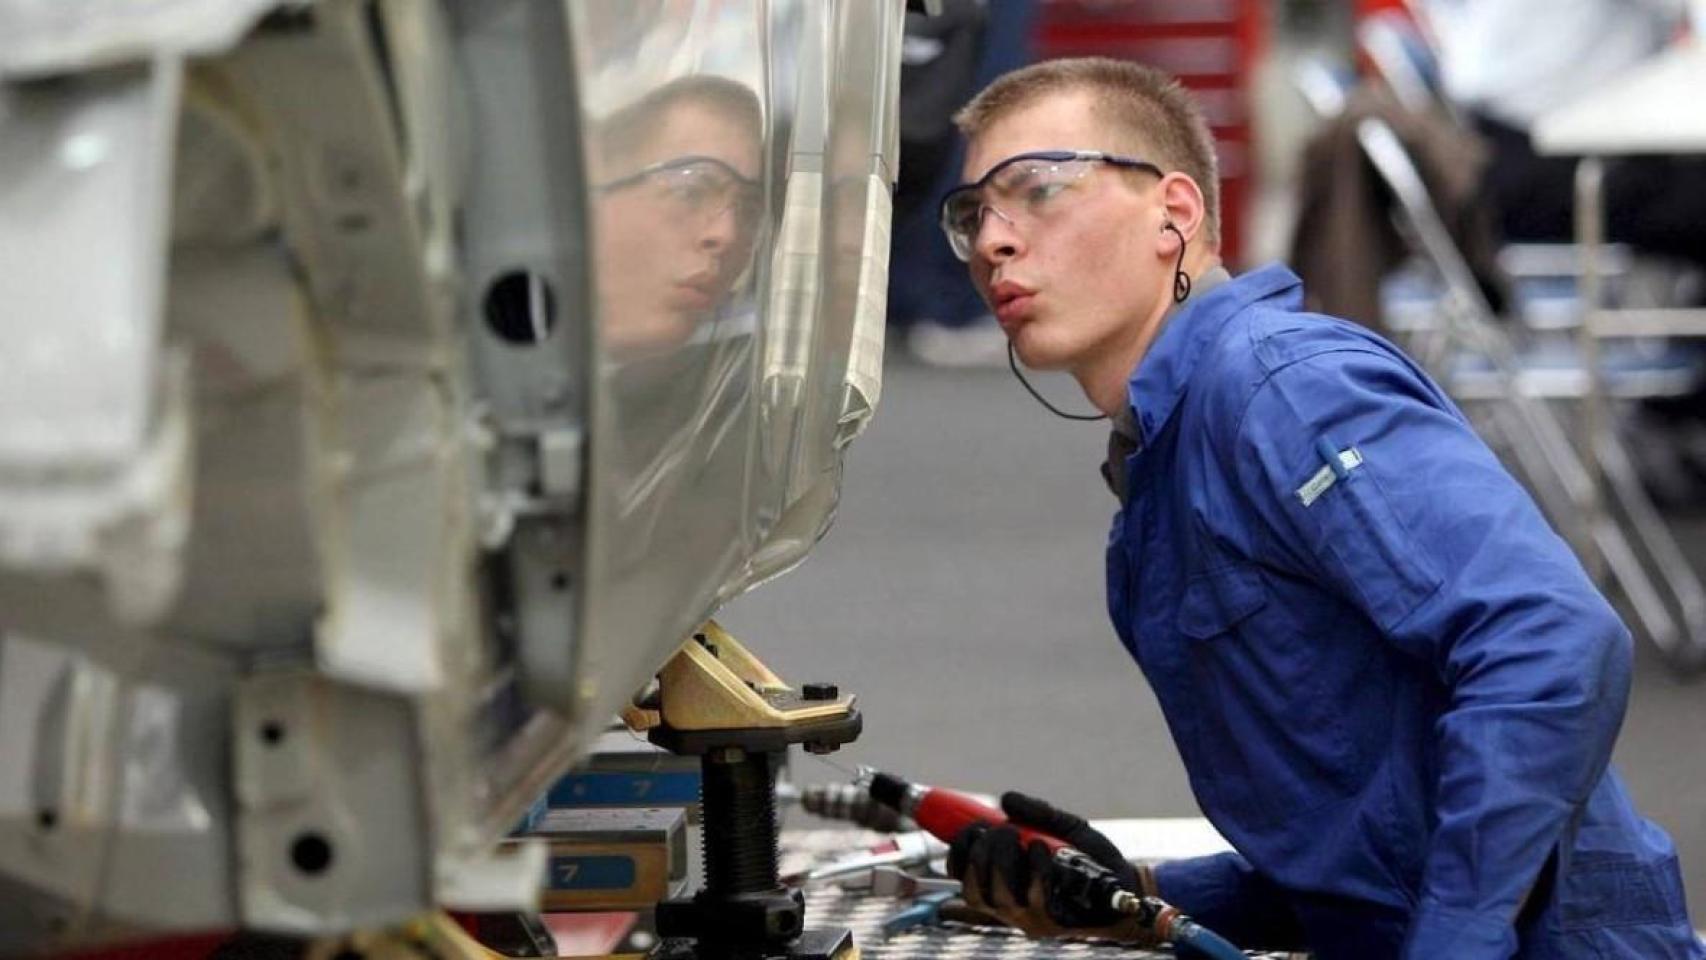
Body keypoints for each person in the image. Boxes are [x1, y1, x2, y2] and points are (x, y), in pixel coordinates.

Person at [935, 56, 1704, 958]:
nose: (993, 239)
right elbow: (1357, 865)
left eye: (1035, 191)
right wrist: (1134, 894)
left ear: (1174, 215)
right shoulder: (1156, 491)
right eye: (972, 213)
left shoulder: (1285, 390)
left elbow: (1553, 642)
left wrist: (1453, 942)